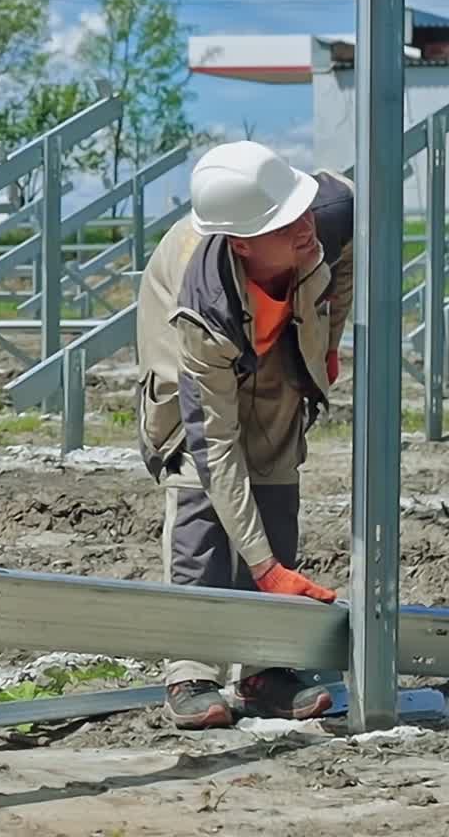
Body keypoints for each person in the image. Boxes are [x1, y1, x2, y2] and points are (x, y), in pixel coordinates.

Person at [135, 139, 354, 730]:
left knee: (276, 481)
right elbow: (217, 450)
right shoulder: (200, 304)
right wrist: (262, 567)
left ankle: (265, 667)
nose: (305, 228)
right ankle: (192, 670)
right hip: (198, 360)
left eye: (302, 210)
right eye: (284, 224)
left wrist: (330, 334)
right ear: (241, 241)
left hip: (275, 345)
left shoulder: (321, 214)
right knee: (201, 500)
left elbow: (349, 230)